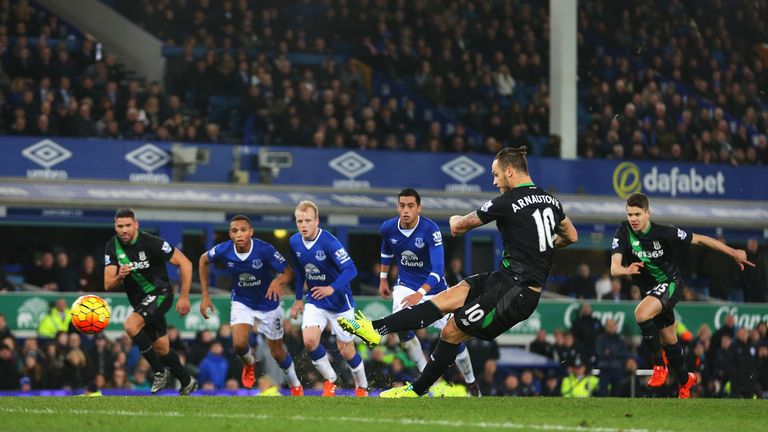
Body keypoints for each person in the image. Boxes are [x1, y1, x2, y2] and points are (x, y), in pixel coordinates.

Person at [339, 146, 578, 397]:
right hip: (504, 278)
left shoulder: (506, 201)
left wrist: (454, 218)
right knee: (446, 298)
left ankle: (417, 390)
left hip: (517, 292)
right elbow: (571, 235)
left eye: (496, 174)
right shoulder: (551, 200)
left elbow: (459, 227)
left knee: (451, 331)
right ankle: (374, 329)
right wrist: (542, 250)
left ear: (510, 171)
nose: (494, 181)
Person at [610, 192, 753, 398]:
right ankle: (686, 381)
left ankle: (659, 366)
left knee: (641, 314)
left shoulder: (663, 232)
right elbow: (615, 268)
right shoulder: (623, 232)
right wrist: (627, 270)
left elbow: (700, 239)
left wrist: (733, 253)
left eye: (637, 214)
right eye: (630, 214)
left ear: (648, 213)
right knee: (669, 340)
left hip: (669, 283)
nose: (633, 218)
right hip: (649, 290)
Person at [378, 188, 478, 395]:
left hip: (435, 289)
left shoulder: (430, 230)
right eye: (402, 206)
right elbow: (386, 249)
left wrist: (420, 294)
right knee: (401, 325)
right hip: (405, 285)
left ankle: (471, 383)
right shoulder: (388, 228)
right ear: (398, 207)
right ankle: (426, 380)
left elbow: (438, 271)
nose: (406, 210)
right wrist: (382, 278)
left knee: (453, 333)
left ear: (419, 208)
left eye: (410, 206)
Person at [198, 215, 302, 395]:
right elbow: (203, 260)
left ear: (251, 232)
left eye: (243, 230)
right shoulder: (224, 250)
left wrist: (278, 281)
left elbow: (288, 272)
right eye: (234, 230)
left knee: (277, 352)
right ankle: (249, 363)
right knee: (238, 345)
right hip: (242, 301)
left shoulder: (264, 250)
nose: (239, 234)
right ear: (230, 234)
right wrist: (205, 295)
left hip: (268, 303)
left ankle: (295, 385)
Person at [104, 208, 198, 395]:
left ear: (136, 225)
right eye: (120, 226)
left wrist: (185, 296)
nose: (124, 230)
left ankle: (158, 372)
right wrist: (119, 276)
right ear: (115, 226)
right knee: (162, 348)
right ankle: (187, 381)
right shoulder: (112, 246)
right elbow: (108, 284)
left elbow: (185, 263)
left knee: (131, 325)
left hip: (160, 293)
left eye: (128, 225)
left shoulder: (151, 242)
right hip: (140, 302)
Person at [288, 201, 369, 397]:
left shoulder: (330, 242)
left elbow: (351, 269)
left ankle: (362, 386)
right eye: (300, 221)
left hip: (341, 303)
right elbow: (299, 271)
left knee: (346, 349)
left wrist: (331, 288)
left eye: (307, 220)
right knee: (309, 341)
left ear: (317, 221)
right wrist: (298, 298)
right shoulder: (294, 241)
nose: (303, 225)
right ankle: (331, 379)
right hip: (315, 300)